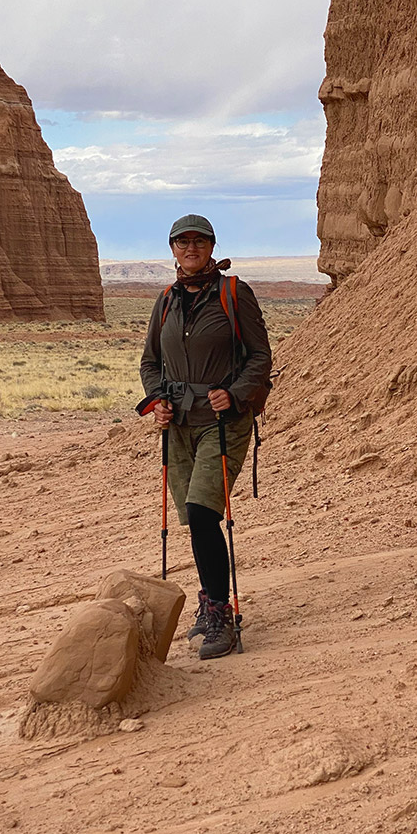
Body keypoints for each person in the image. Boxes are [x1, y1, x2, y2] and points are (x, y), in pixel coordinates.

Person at [138, 214, 272, 659]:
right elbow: (150, 363)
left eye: (199, 241)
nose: (191, 248)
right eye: (182, 242)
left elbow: (259, 356)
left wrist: (234, 395)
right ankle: (211, 602)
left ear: (211, 247)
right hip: (179, 426)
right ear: (173, 249)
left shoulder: (235, 294)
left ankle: (219, 614)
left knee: (201, 511)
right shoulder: (165, 301)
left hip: (223, 422)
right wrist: (157, 400)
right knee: (196, 518)